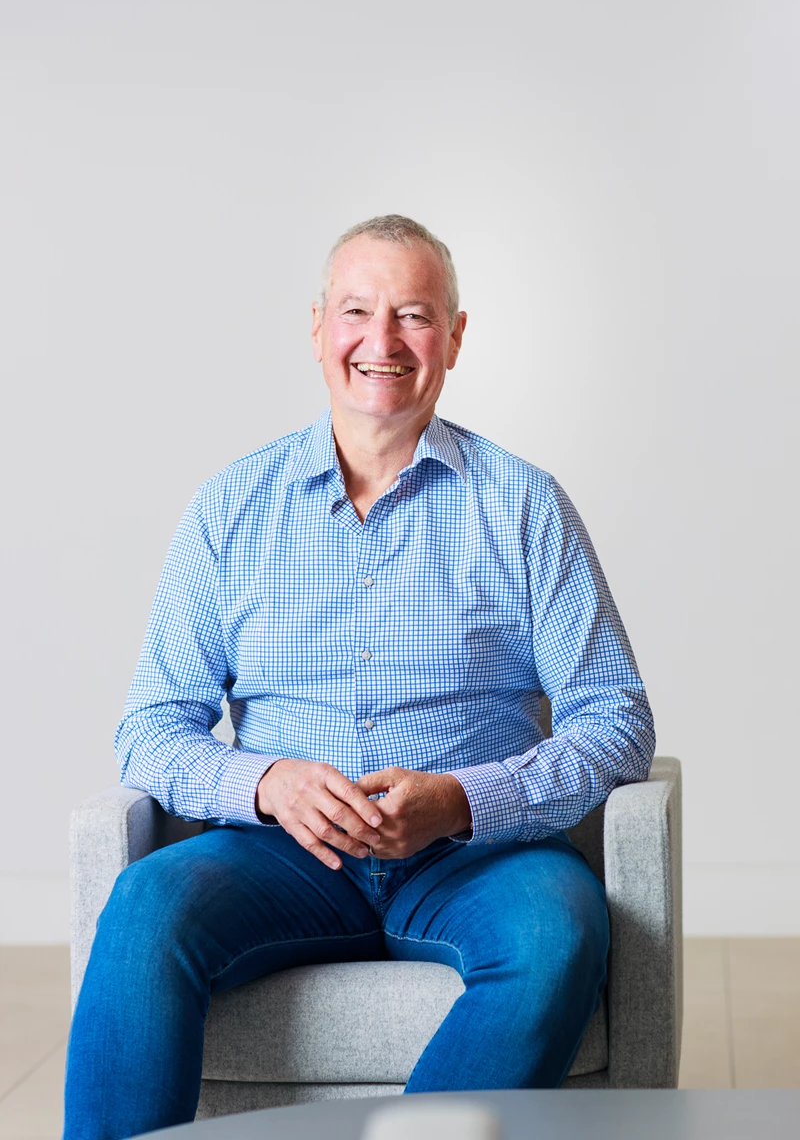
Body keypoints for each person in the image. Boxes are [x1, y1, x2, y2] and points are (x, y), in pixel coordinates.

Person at [63, 214, 655, 1140]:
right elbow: (150, 725)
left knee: (555, 936)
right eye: (356, 311)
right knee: (145, 907)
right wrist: (264, 783)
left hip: (477, 857)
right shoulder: (230, 507)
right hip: (278, 859)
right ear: (317, 328)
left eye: (413, 315)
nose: (381, 343)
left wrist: (462, 800)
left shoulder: (526, 504)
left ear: (454, 338)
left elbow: (614, 718)